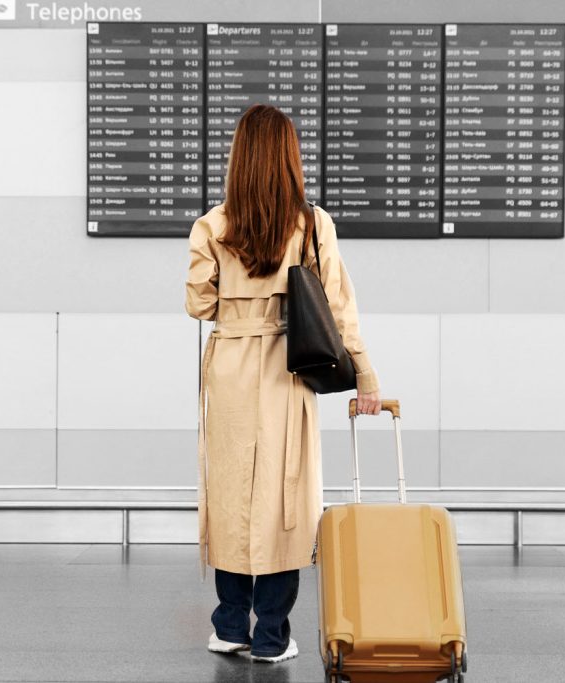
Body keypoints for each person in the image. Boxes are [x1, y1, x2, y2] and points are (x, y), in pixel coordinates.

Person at [185, 104, 381, 663]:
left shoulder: (211, 226)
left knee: (228, 493)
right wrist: (364, 374)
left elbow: (198, 306)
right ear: (290, 157)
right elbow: (339, 312)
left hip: (228, 367)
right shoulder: (313, 224)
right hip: (285, 366)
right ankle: (271, 634)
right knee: (284, 496)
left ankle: (228, 625)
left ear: (238, 157)